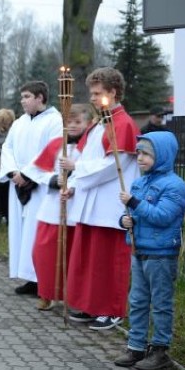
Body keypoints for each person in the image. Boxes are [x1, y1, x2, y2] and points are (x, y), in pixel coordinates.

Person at [63, 67, 140, 330]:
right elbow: (86, 157)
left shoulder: (123, 123)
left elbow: (111, 167)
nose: (93, 98)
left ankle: (112, 309)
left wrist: (76, 170)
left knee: (110, 261)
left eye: (97, 93)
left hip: (109, 205)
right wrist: (73, 185)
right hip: (90, 202)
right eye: (92, 93)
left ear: (113, 92)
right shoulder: (99, 123)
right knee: (91, 262)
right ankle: (92, 305)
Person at [113, 132, 185, 370]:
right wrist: (125, 220)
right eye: (138, 153)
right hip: (140, 250)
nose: (140, 158)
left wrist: (134, 203)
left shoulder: (176, 185)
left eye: (146, 154)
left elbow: (162, 216)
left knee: (161, 302)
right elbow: (134, 216)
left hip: (162, 253)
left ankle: (160, 349)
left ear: (163, 155)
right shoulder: (139, 182)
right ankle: (136, 346)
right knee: (137, 300)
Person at [0, 82, 63, 295]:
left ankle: (41, 278)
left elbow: (52, 151)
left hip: (40, 186)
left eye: (27, 96)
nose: (22, 100)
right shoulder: (19, 122)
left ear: (40, 97)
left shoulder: (55, 122)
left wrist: (27, 175)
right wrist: (12, 173)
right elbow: (7, 148)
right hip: (17, 185)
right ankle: (28, 276)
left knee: (36, 233)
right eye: (22, 96)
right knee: (20, 231)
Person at [27, 103, 93, 311]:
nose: (72, 126)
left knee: (73, 257)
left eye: (77, 122)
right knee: (43, 253)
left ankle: (73, 297)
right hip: (52, 208)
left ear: (88, 124)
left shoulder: (91, 146)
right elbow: (35, 170)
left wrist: (73, 183)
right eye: (69, 122)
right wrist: (53, 179)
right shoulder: (56, 144)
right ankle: (47, 293)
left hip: (77, 208)